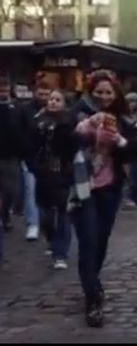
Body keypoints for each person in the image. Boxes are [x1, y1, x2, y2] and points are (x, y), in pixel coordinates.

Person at [69, 70, 137, 328]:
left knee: (100, 240)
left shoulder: (122, 119)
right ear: (90, 92)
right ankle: (92, 300)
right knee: (88, 240)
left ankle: (93, 280)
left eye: (108, 92)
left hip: (109, 186)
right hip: (82, 187)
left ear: (115, 94)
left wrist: (120, 141)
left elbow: (136, 150)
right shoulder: (78, 113)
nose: (103, 97)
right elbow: (64, 142)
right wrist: (85, 130)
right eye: (98, 92)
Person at [28, 89, 76, 270]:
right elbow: (30, 145)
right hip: (43, 172)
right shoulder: (38, 121)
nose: (53, 102)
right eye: (51, 99)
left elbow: (72, 146)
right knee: (46, 214)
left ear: (64, 103)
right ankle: (51, 238)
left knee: (64, 212)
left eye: (58, 99)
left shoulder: (69, 121)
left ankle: (60, 253)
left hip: (63, 172)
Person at [17, 81, 51, 241]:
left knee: (49, 192)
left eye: (46, 94)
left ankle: (47, 222)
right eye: (41, 94)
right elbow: (21, 132)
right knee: (30, 190)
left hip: (50, 158)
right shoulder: (25, 109)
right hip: (30, 156)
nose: (43, 97)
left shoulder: (55, 108)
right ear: (34, 92)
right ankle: (33, 223)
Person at [0, 76, 23, 263]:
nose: (3, 91)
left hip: (11, 157)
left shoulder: (16, 108)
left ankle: (5, 211)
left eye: (5, 87)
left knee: (12, 191)